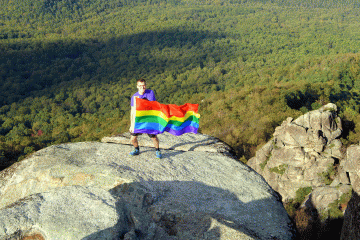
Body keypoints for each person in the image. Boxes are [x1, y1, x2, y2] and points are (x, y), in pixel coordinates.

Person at [129, 78, 162, 158]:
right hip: (139, 120)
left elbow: (152, 106)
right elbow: (133, 111)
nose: (142, 87)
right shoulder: (134, 97)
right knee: (132, 139)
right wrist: (132, 125)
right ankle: (136, 149)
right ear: (137, 86)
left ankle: (157, 150)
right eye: (140, 86)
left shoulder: (150, 93)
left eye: (143, 85)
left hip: (149, 119)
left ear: (145, 85)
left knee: (154, 137)